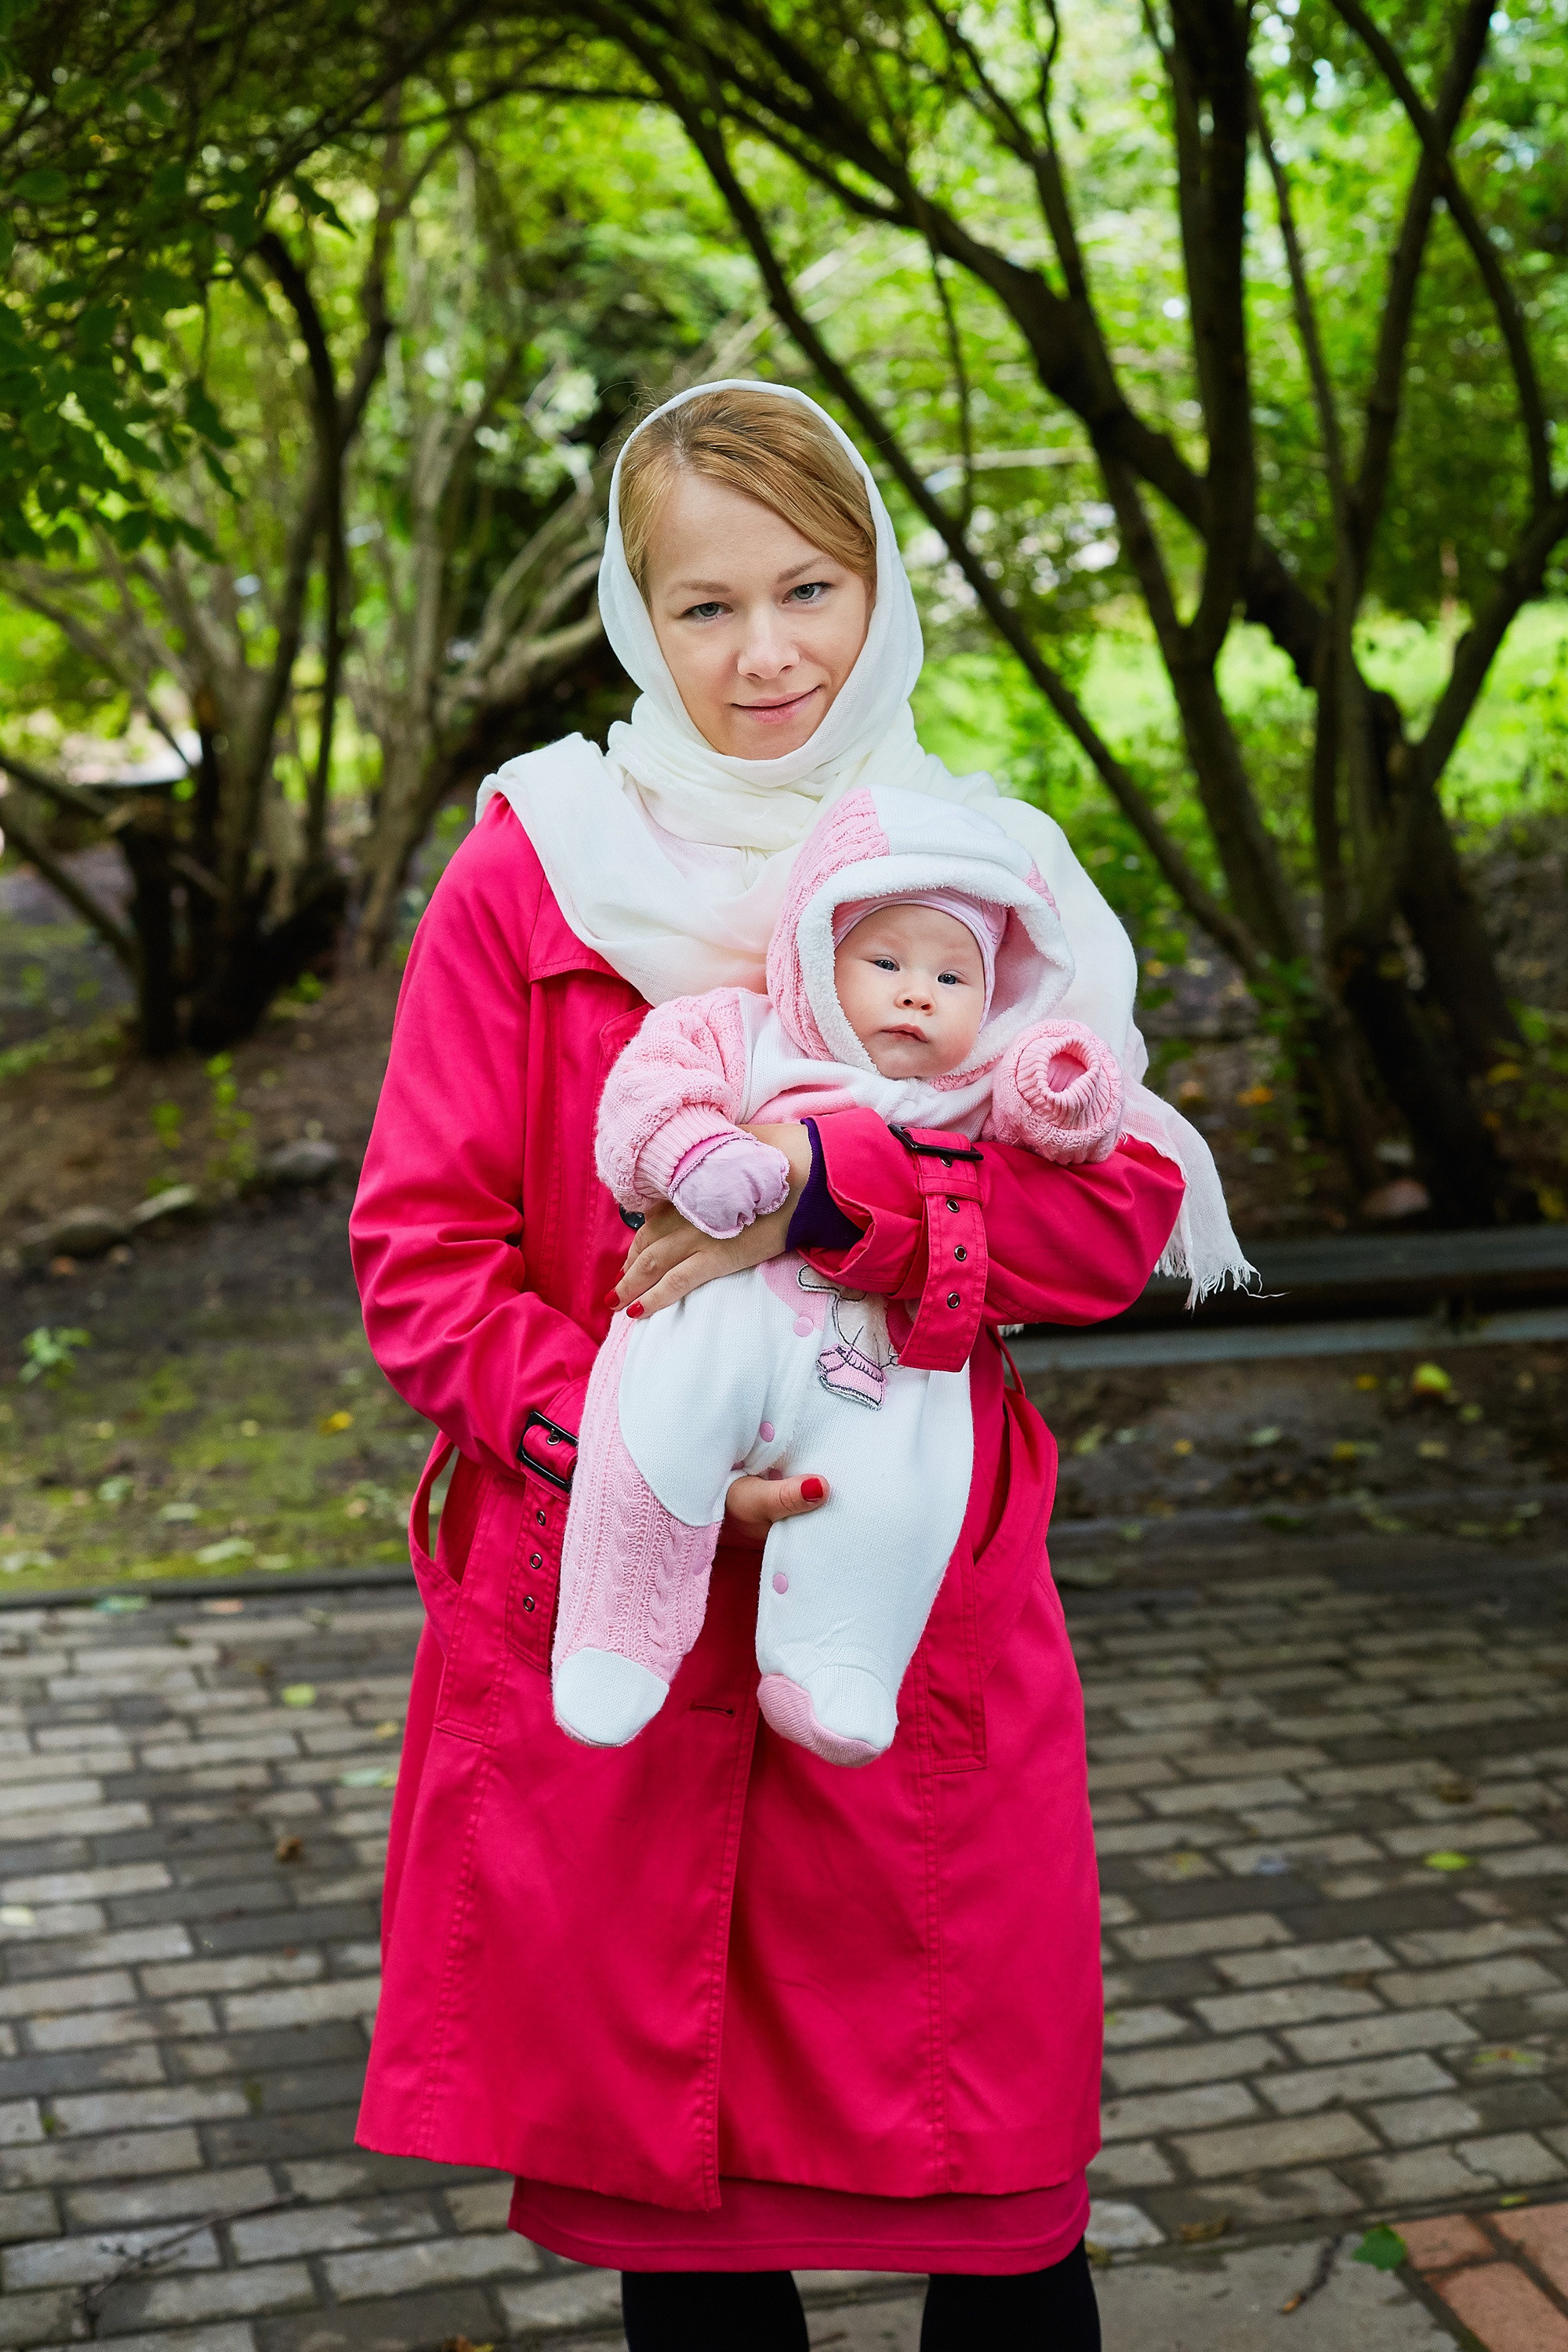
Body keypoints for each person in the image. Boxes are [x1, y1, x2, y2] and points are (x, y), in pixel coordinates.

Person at [350, 379, 1248, 2352]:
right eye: (703, 604)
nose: (765, 652)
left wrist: (830, 1202)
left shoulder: (975, 865)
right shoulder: (530, 870)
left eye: (809, 587)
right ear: (627, 612)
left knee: (1000, 2200)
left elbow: (1104, 1222)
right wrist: (613, 1441)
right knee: (692, 2233)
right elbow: (421, 1257)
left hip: (911, 1611)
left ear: (879, 591)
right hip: (626, 1598)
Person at [555, 782, 1127, 1763]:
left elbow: (1075, 1169)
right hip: (711, 1332)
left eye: (955, 980)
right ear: (815, 956)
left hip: (879, 1368)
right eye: (885, 960)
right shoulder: (747, 1034)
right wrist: (695, 1152)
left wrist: (1061, 1087)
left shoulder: (971, 1090)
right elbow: (644, 1098)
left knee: (895, 1502)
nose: (917, 993)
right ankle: (616, 1636)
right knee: (650, 1444)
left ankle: (837, 1666)